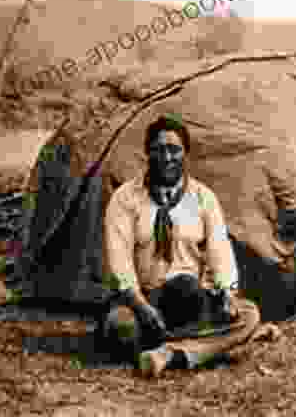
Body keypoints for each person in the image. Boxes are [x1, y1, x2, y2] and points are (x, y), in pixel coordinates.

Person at [99, 115, 266, 377]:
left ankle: (167, 354)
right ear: (147, 154)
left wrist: (227, 295)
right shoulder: (125, 199)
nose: (167, 157)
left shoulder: (202, 198)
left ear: (185, 154)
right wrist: (143, 308)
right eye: (159, 150)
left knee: (248, 315)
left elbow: (220, 252)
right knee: (123, 327)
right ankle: (211, 345)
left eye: (174, 149)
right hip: (143, 300)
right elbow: (119, 262)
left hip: (192, 301)